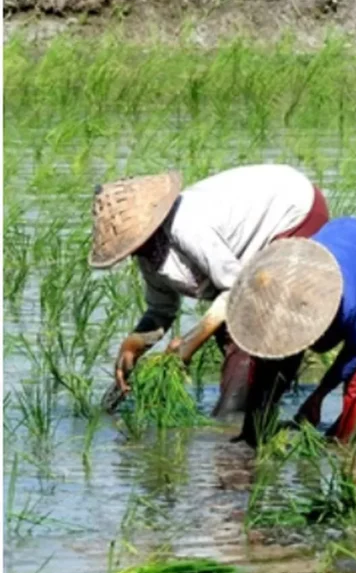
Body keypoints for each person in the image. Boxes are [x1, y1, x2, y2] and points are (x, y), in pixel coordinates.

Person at [90, 164, 330, 416]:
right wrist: (133, 344)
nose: (133, 255)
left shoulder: (187, 226)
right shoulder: (149, 254)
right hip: (244, 261)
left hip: (295, 212)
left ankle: (233, 417)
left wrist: (189, 344)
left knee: (252, 322)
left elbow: (236, 289)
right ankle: (254, 405)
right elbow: (161, 310)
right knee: (232, 330)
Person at [224, 217, 356, 447]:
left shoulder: (351, 305)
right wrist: (251, 432)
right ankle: (255, 431)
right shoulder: (283, 285)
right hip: (344, 240)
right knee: (276, 356)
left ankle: (347, 447)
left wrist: (318, 396)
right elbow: (267, 365)